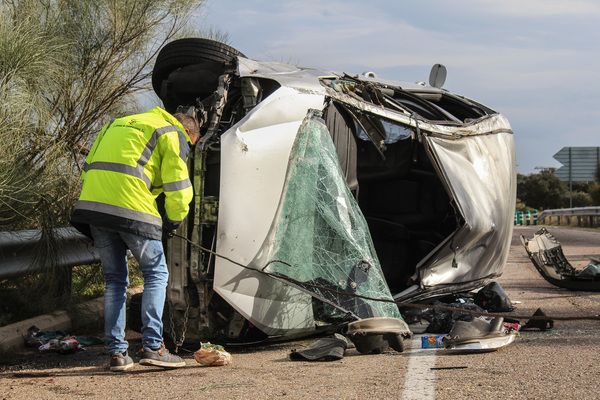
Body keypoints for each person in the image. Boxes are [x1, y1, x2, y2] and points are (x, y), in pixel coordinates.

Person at [71, 106, 199, 372]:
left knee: (115, 280)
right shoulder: (172, 132)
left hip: (94, 207)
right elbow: (179, 186)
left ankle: (117, 354)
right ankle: (154, 347)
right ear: (189, 133)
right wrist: (173, 220)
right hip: (133, 208)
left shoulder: (115, 124)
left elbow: (88, 168)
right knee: (156, 273)